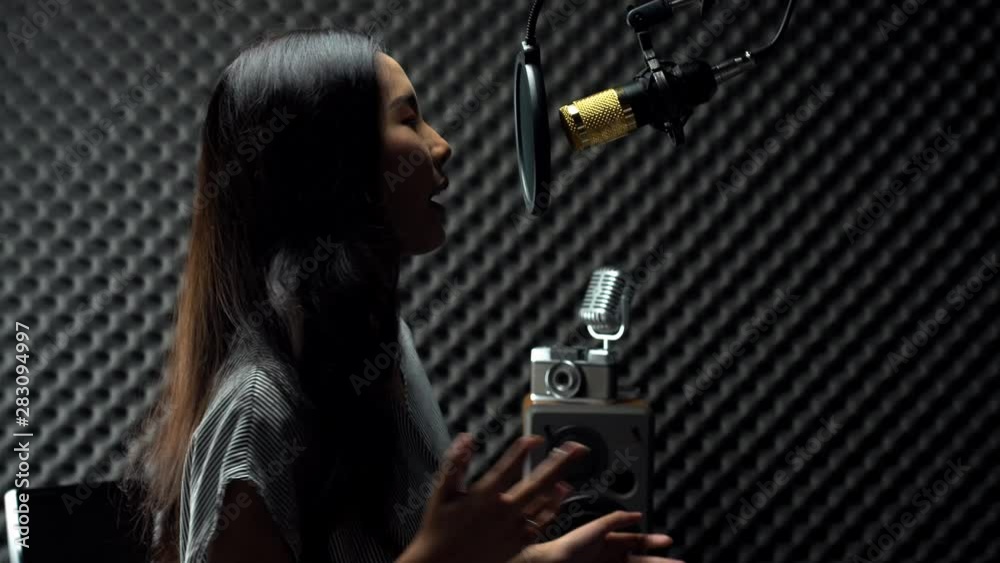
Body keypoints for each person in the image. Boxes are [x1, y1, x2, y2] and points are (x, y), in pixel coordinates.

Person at [122, 27, 682, 563]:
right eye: (408, 119)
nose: (441, 145)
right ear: (331, 162)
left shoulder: (380, 342)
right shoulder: (256, 411)